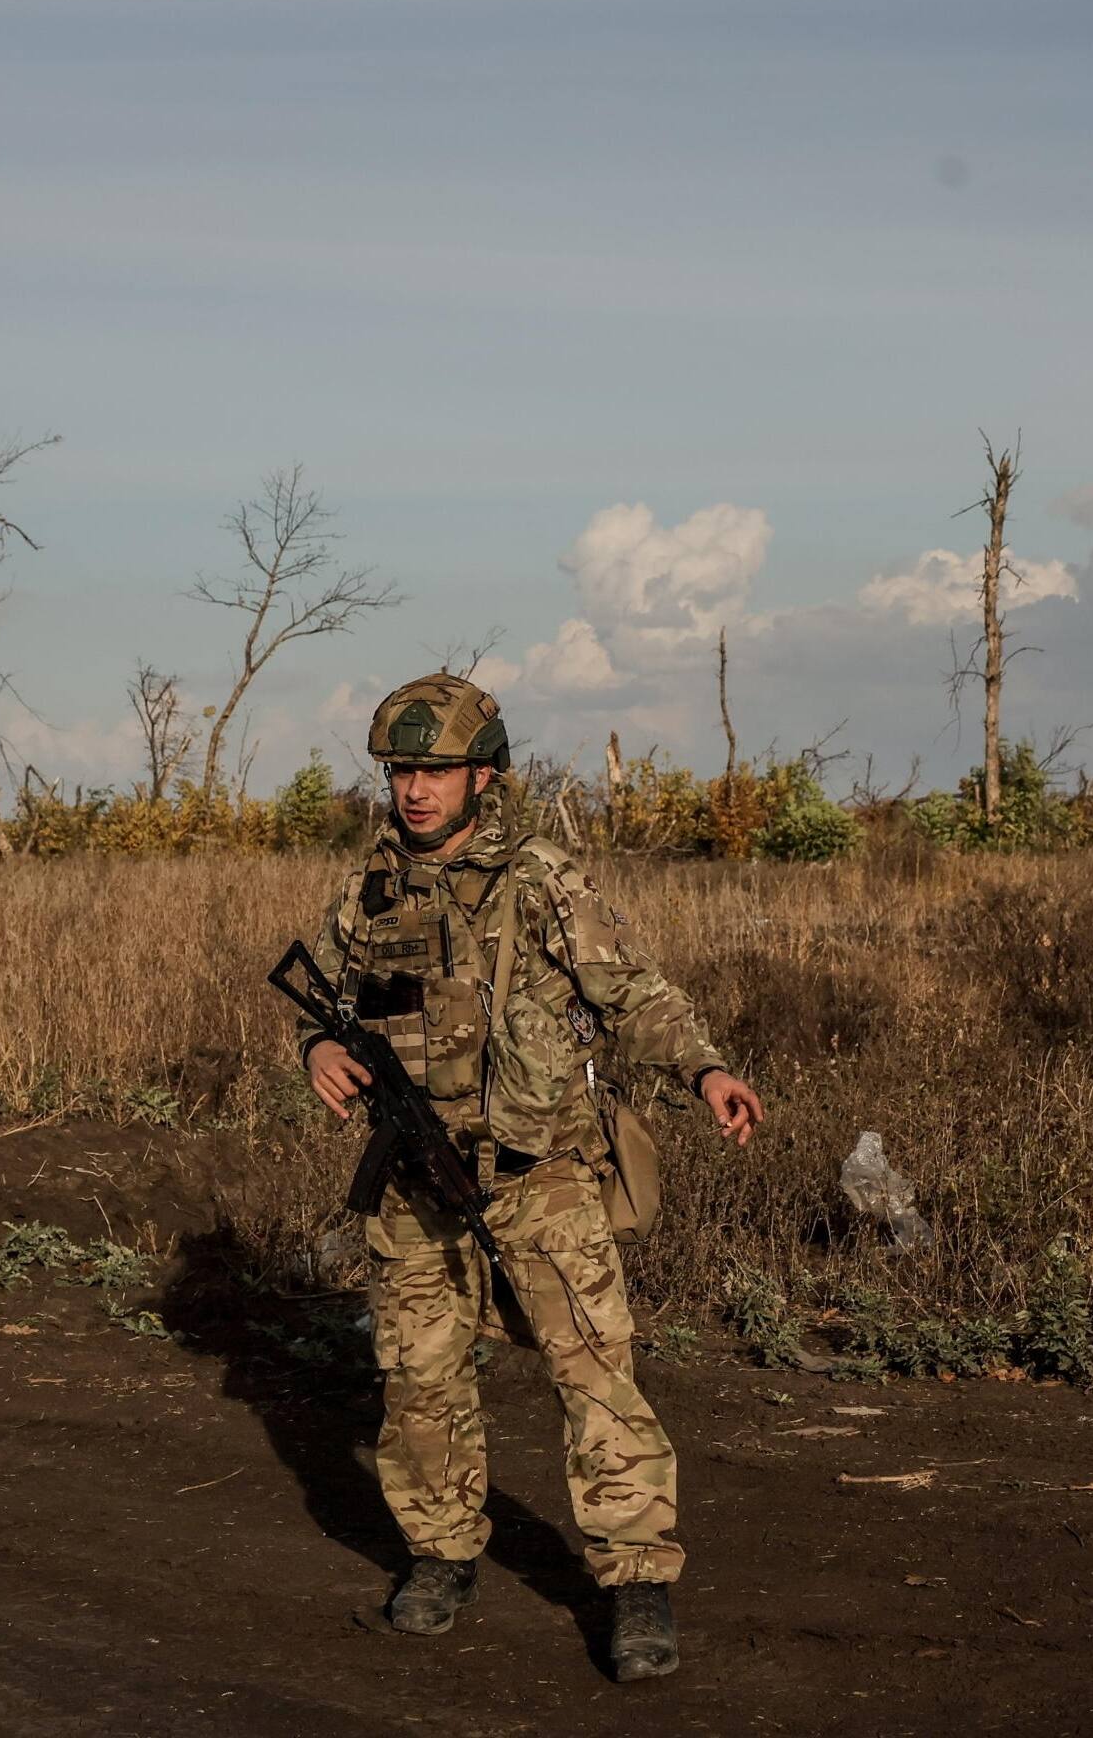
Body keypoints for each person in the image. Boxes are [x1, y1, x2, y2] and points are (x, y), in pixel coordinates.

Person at [297, 673, 764, 1682]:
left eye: (434, 770)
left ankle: (635, 1583)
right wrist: (315, 1054)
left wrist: (706, 1068)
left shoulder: (541, 878)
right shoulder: (370, 884)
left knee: (594, 1377)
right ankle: (439, 1554)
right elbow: (322, 1002)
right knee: (417, 1377)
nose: (414, 789)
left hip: (537, 1171)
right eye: (399, 771)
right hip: (413, 1179)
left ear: (481, 772)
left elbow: (634, 992)